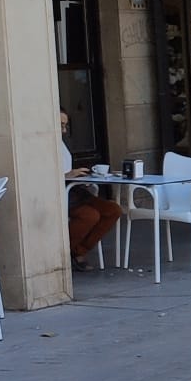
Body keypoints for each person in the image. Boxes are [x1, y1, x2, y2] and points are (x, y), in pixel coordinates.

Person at [59, 109, 120, 270]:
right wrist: (67, 175)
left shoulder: (61, 144)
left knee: (113, 209)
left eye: (65, 126)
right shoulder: (40, 145)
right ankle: (66, 253)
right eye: (60, 125)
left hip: (75, 190)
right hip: (60, 194)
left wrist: (81, 177)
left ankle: (78, 250)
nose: (64, 131)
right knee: (90, 215)